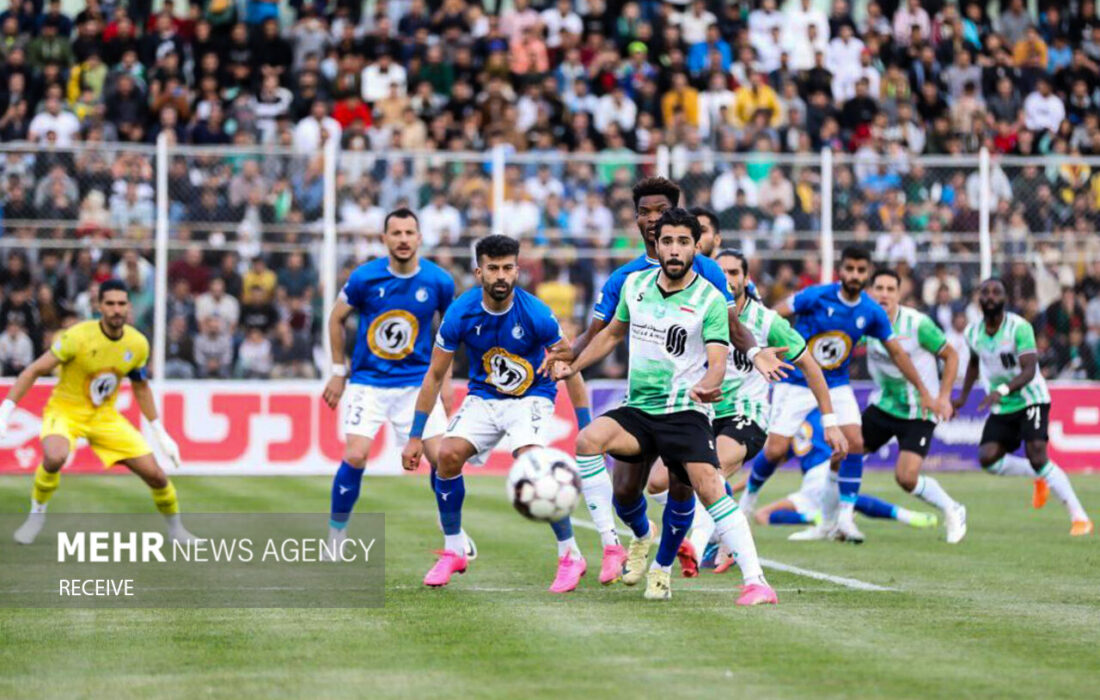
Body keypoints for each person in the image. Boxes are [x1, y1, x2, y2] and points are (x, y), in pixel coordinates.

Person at [566, 177, 790, 588]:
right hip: (639, 407)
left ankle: (668, 569)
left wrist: (751, 356)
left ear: (694, 243)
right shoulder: (629, 280)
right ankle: (631, 539)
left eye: (679, 237)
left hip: (686, 409)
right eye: (649, 217)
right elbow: (605, 331)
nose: (659, 230)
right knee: (624, 492)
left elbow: (729, 333)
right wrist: (573, 360)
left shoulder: (708, 282)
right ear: (639, 222)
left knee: (698, 487)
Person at [402, 235, 588, 593]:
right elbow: (434, 375)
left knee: (533, 465)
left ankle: (570, 555)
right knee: (446, 456)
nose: (501, 276)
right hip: (485, 397)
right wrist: (415, 435)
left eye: (507, 268)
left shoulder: (536, 313)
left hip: (532, 396)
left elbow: (570, 364)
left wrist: (586, 427)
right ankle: (454, 549)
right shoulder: (460, 312)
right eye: (493, 268)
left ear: (517, 270)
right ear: (478, 272)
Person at [742, 247, 943, 544]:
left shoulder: (871, 311)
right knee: (774, 451)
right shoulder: (816, 295)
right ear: (841, 269)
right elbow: (774, 315)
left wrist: (925, 392)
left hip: (836, 384)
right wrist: (760, 349)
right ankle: (746, 503)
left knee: (853, 443)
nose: (855, 275)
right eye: (850, 269)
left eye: (861, 271)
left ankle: (842, 519)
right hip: (797, 381)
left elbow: (897, 353)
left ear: (867, 272)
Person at [676, 248, 845, 574]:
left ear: (745, 278)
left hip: (747, 415)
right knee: (663, 483)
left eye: (734, 273)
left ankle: (695, 546)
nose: (727, 279)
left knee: (711, 469)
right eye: (720, 272)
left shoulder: (766, 321)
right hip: (703, 414)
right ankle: (726, 534)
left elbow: (811, 366)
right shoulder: (695, 313)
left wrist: (830, 421)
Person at [321, 209, 474, 558]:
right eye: (396, 233)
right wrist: (337, 370)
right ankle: (336, 532)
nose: (403, 239)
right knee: (356, 454)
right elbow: (335, 318)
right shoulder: (364, 278)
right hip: (368, 382)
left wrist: (446, 381)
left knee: (442, 458)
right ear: (384, 239)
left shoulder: (439, 281)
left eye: (409, 233)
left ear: (420, 238)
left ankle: (453, 530)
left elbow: (449, 333)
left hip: (417, 386)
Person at [0, 280, 192, 545]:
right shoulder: (77, 336)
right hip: (65, 410)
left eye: (121, 303)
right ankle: (37, 514)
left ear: (129, 306)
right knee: (55, 457)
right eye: (110, 303)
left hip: (104, 417)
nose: (116, 309)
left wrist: (160, 432)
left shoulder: (137, 344)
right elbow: (33, 370)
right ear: (99, 306)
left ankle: (177, 530)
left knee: (157, 475)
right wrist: (5, 411)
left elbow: (141, 388)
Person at [954, 279, 1093, 537]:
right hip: (1003, 406)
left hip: (1031, 399)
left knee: (1038, 453)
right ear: (979, 299)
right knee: (987, 458)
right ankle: (1037, 474)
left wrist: (1003, 390)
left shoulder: (1019, 327)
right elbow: (974, 364)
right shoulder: (972, 333)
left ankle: (1079, 516)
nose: (991, 296)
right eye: (985, 292)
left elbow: (1030, 369)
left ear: (1005, 298)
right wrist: (961, 397)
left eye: (997, 292)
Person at [864, 269, 967, 543]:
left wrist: (944, 397)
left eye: (890, 289)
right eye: (879, 288)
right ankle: (834, 520)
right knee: (843, 453)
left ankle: (952, 508)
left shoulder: (917, 323)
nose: (884, 293)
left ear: (899, 294)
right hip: (884, 405)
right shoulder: (864, 322)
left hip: (920, 410)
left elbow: (951, 355)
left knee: (906, 478)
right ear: (872, 292)